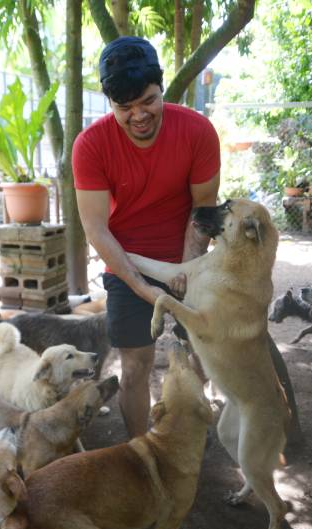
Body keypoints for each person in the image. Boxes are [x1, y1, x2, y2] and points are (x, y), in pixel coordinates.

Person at [72, 36, 220, 438]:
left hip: (189, 258)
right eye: (125, 108)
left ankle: (192, 426)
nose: (139, 115)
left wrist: (185, 272)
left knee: (202, 355)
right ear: (110, 104)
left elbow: (203, 210)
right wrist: (140, 287)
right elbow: (96, 229)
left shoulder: (198, 131)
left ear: (161, 88)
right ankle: (141, 452)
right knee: (135, 367)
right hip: (126, 263)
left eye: (148, 101)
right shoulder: (90, 146)